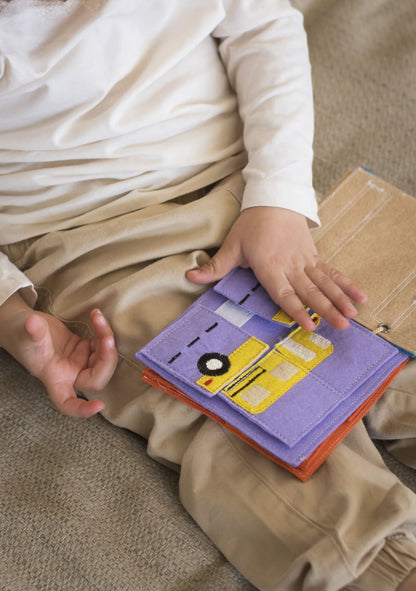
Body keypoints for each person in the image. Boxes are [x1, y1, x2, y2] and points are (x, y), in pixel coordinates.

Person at [0, 1, 415, 589]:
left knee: (371, 331)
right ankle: (378, 570)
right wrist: (7, 309)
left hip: (237, 181)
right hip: (82, 240)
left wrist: (278, 193)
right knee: (232, 410)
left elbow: (264, 26)